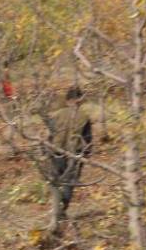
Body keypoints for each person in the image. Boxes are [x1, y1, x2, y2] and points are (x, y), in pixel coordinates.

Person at [43, 86, 104, 235]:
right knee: (70, 183)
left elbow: (49, 135)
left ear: (68, 100)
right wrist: (86, 155)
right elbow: (88, 138)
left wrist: (45, 152)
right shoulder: (84, 117)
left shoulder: (56, 115)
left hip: (56, 153)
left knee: (57, 183)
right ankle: (61, 211)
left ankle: (58, 212)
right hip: (74, 155)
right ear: (79, 100)